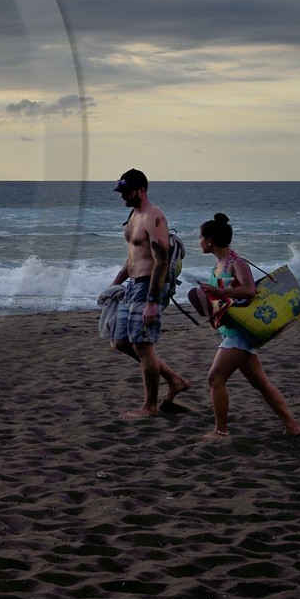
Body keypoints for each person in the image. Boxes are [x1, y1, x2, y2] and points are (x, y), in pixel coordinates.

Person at [194, 213, 300, 437]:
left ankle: (220, 431)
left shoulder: (237, 263)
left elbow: (249, 290)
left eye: (200, 237)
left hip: (242, 331)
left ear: (210, 240)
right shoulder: (218, 266)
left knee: (215, 378)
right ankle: (292, 426)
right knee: (260, 383)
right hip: (232, 329)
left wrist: (218, 292)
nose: (198, 241)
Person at [108, 169, 190, 419]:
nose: (123, 197)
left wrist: (153, 302)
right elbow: (132, 257)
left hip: (148, 287)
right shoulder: (133, 216)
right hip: (132, 285)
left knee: (143, 346)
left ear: (141, 190)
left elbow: (161, 261)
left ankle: (150, 406)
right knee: (120, 342)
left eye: (127, 192)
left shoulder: (155, 218)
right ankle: (174, 380)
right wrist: (114, 285)